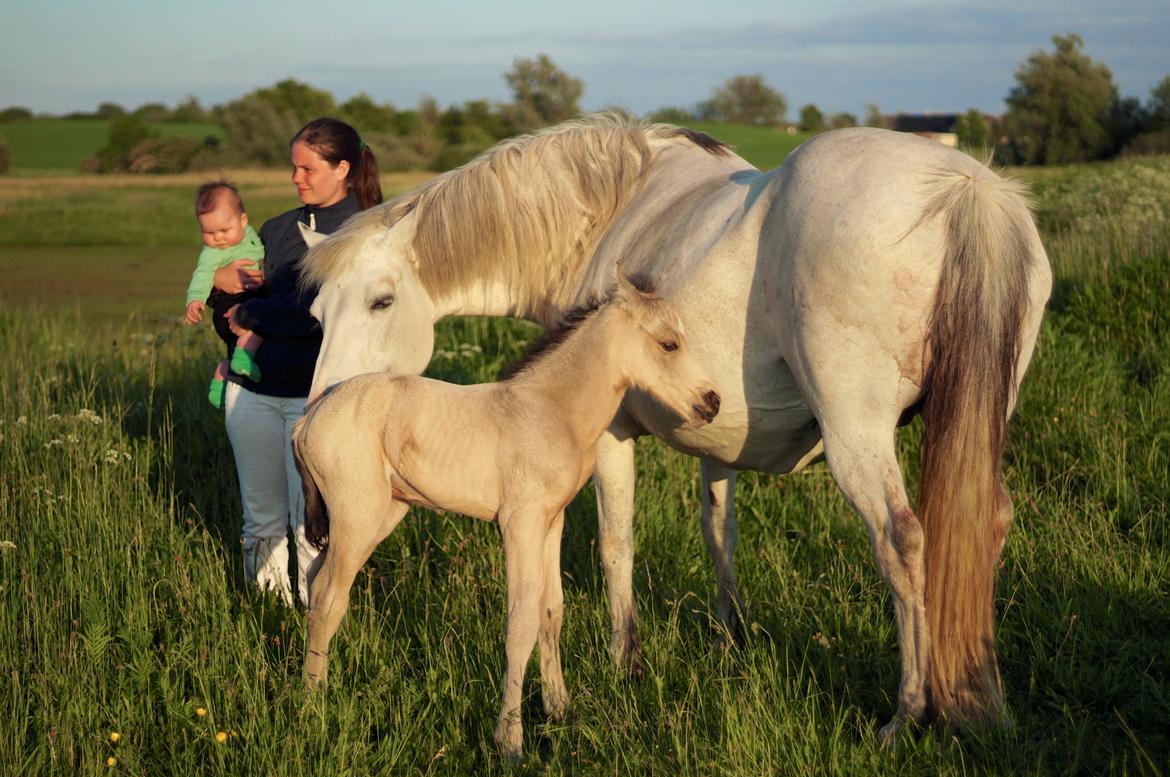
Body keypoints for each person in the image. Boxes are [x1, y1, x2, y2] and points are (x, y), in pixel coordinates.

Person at [211, 118, 383, 605]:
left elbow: (320, 322)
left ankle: (315, 621)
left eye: (307, 168)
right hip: (252, 396)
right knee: (260, 520)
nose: (296, 178)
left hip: (320, 401)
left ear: (343, 168)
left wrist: (250, 310)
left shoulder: (369, 234)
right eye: (294, 168)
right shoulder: (278, 228)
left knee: (313, 525)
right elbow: (228, 316)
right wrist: (225, 296)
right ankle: (268, 616)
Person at [184, 181, 266, 408]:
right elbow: (201, 276)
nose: (218, 238)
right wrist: (195, 300)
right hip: (230, 303)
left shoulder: (251, 234)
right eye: (208, 233)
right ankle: (243, 359)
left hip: (245, 297)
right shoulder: (211, 254)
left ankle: (219, 384)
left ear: (243, 221)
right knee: (258, 322)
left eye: (223, 230)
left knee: (233, 348)